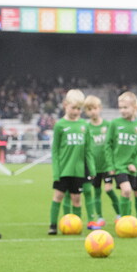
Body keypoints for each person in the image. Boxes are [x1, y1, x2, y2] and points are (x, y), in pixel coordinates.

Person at [48, 89, 96, 235]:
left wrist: (92, 169)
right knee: (58, 197)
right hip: (63, 169)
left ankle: (76, 226)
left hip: (78, 171)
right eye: (73, 108)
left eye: (79, 109)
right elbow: (55, 151)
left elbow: (88, 150)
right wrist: (56, 171)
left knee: (77, 199)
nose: (76, 111)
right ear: (65, 105)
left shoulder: (84, 125)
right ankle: (53, 225)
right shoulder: (60, 125)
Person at [106, 91, 137, 228]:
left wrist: (135, 163)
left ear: (134, 107)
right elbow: (108, 146)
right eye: (120, 108)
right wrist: (110, 166)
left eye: (125, 107)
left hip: (135, 167)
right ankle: (125, 221)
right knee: (126, 191)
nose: (122, 111)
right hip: (119, 166)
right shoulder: (114, 124)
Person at [82, 94, 121, 228]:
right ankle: (100, 217)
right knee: (96, 192)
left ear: (100, 108)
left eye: (95, 108)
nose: (93, 111)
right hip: (94, 167)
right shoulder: (86, 127)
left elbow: (113, 144)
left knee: (109, 189)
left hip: (107, 166)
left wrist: (113, 163)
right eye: (89, 109)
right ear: (86, 112)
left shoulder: (108, 125)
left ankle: (119, 214)